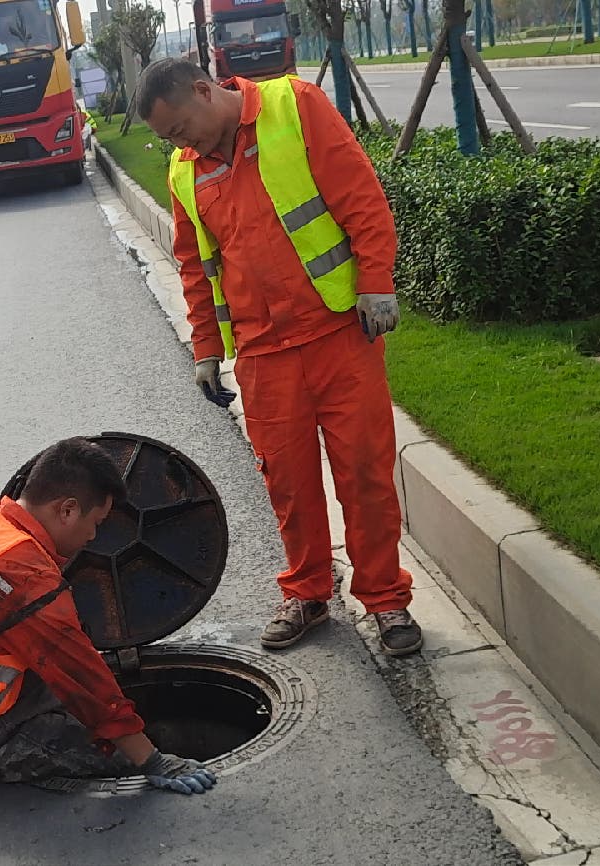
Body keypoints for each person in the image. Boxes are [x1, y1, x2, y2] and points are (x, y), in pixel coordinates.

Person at [134, 58, 424, 657]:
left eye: (179, 128)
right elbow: (196, 267)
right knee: (288, 485)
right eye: (168, 139)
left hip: (338, 333)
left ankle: (386, 600)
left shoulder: (296, 107)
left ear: (202, 89)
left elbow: (362, 198)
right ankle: (308, 591)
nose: (178, 143)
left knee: (364, 475)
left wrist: (376, 282)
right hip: (263, 353)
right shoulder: (185, 172)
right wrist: (207, 350)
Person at [0, 437, 219, 794]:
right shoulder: (21, 575)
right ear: (67, 510)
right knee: (114, 759)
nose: (94, 536)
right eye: (96, 523)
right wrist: (152, 760)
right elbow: (79, 674)